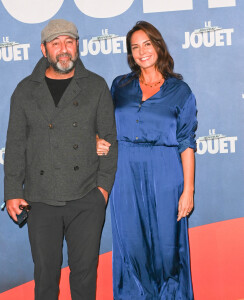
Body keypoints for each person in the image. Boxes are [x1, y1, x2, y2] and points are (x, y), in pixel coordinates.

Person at [4, 19, 117, 300]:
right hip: (41, 199)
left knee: (84, 275)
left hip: (86, 197)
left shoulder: (96, 86)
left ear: (78, 46)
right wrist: (12, 192)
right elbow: (16, 145)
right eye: (56, 43)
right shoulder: (25, 90)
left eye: (69, 42)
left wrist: (101, 192)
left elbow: (110, 141)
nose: (63, 49)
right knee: (45, 276)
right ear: (44, 49)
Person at [97, 21, 197, 299]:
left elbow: (187, 143)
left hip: (166, 174)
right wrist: (97, 140)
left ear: (158, 46)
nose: (142, 52)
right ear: (131, 53)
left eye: (147, 44)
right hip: (124, 174)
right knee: (131, 247)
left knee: (168, 250)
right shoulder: (120, 85)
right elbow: (103, 124)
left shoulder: (180, 91)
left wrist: (188, 190)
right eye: (135, 47)